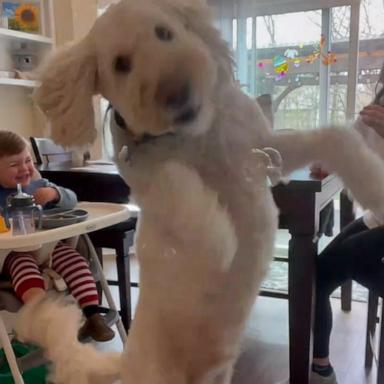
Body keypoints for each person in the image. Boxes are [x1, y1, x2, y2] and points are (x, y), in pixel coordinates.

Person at [0, 130, 115, 342]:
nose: (25, 168)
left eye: (28, 161)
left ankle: (93, 315)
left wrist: (54, 194)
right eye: (14, 165)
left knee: (76, 261)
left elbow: (72, 200)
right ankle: (47, 319)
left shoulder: (38, 186)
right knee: (23, 267)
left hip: (48, 248)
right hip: (13, 254)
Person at [310, 64, 384, 384]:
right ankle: (321, 368)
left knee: (350, 255)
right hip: (380, 214)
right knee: (318, 275)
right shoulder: (376, 109)